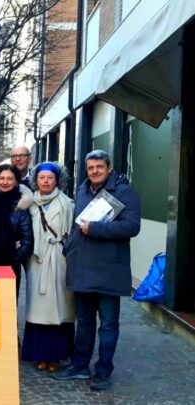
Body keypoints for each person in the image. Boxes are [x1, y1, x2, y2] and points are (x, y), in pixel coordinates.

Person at [53, 150, 141, 391]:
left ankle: (103, 371)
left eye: (99, 167)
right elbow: (76, 225)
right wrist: (69, 249)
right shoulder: (82, 191)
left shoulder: (124, 192)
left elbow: (132, 227)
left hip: (109, 270)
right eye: (90, 167)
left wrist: (96, 229)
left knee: (108, 324)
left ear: (109, 168)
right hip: (82, 267)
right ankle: (80, 366)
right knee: (84, 322)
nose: (94, 171)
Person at [21, 162, 75, 373]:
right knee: (37, 309)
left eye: (50, 178)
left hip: (60, 259)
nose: (45, 181)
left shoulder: (67, 204)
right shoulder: (29, 203)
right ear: (36, 180)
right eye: (41, 178)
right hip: (37, 259)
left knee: (60, 309)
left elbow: (72, 232)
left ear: (57, 180)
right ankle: (39, 355)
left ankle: (57, 356)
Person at [0, 163, 34, 298]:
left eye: (9, 179)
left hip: (9, 267)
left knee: (7, 309)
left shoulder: (21, 205)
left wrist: (11, 257)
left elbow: (27, 241)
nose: (5, 182)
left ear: (16, 182)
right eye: (1, 178)